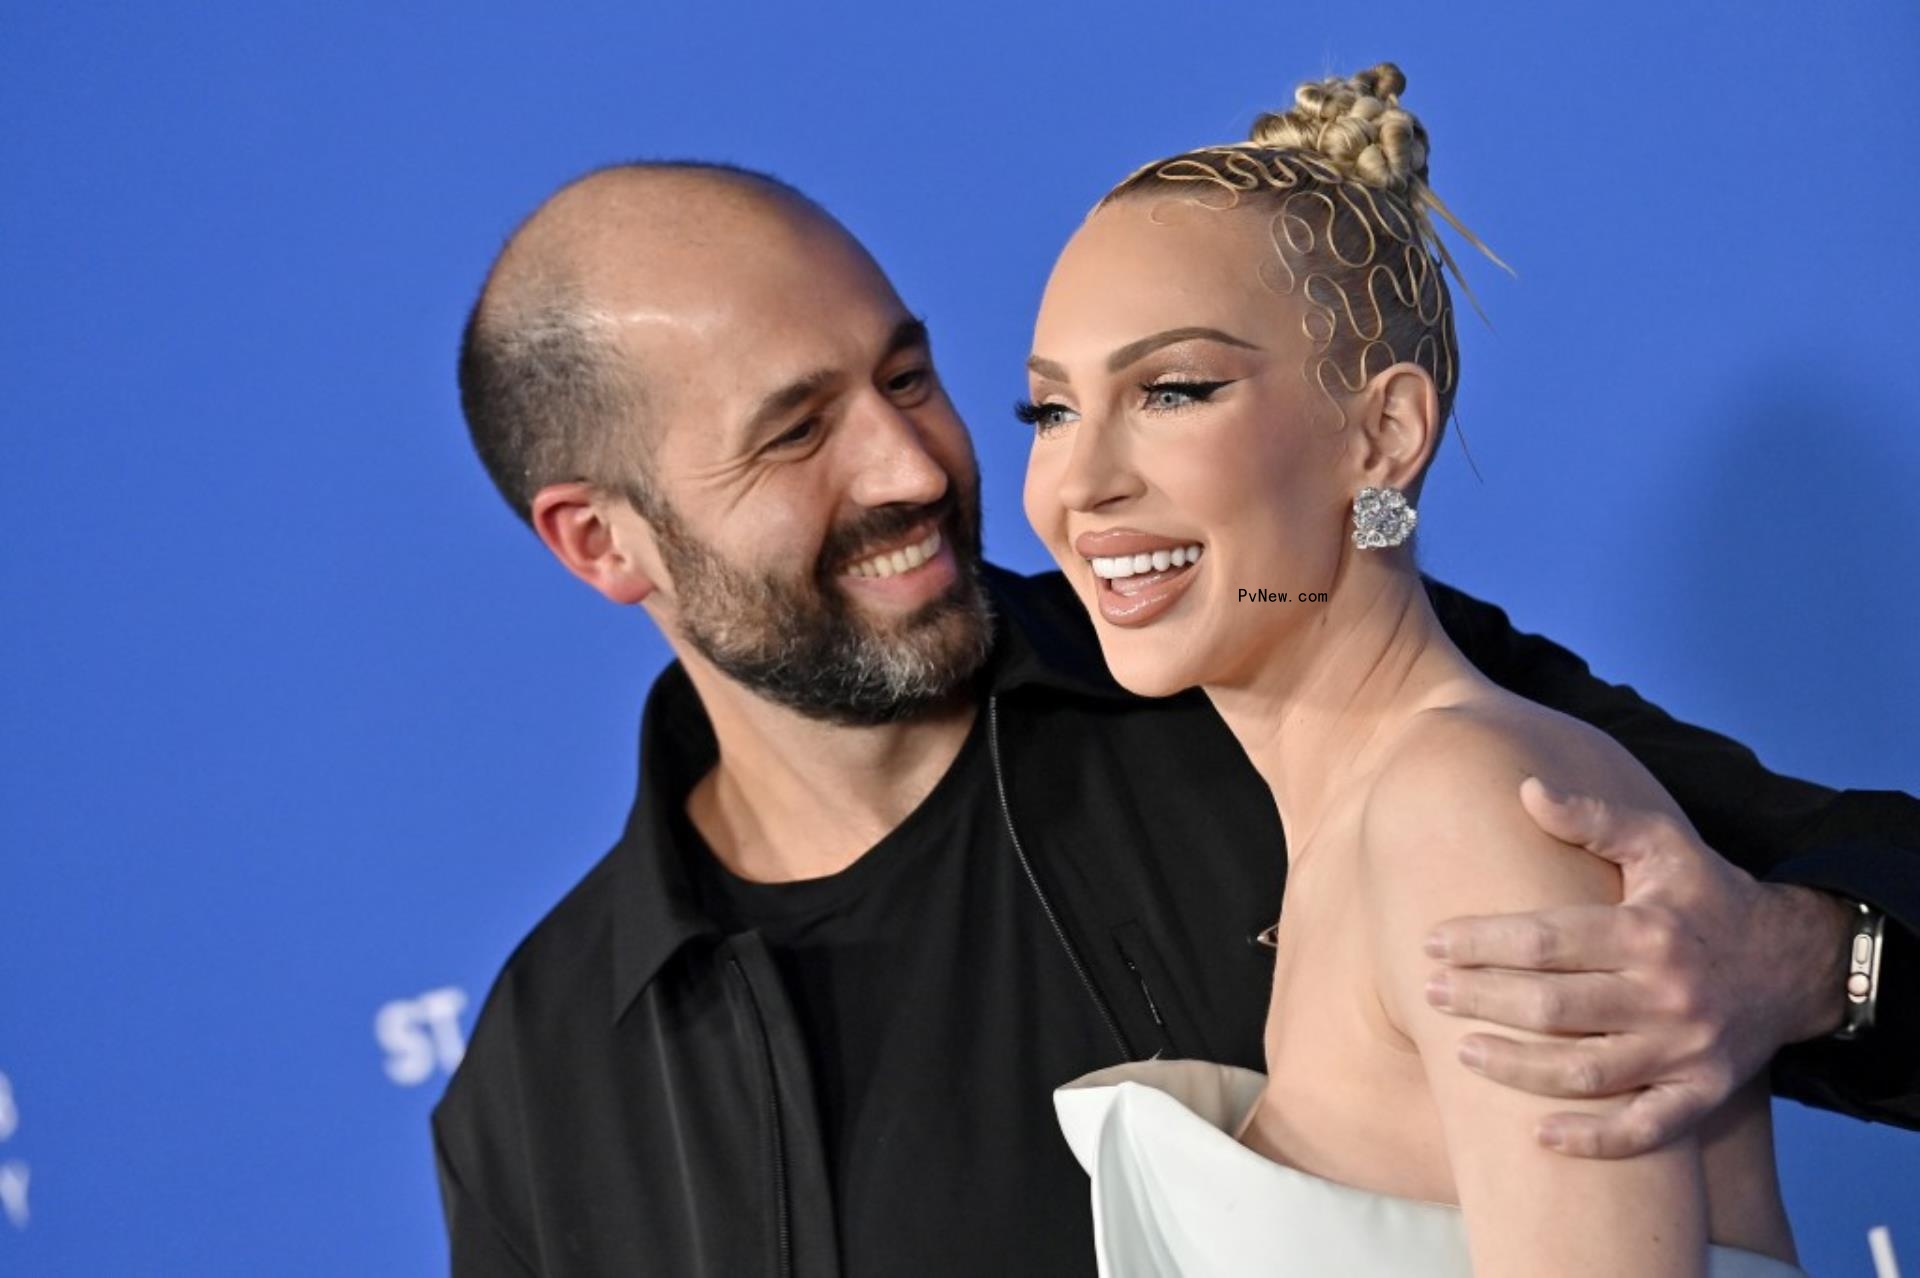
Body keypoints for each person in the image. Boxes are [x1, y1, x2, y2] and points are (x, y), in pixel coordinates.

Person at [432, 159, 1920, 1277]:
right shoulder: (546, 1083)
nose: (911, 466)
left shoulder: (1297, 677)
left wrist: (1811, 961)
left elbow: (1795, 891)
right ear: (600, 542)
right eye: (798, 430)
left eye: (909, 376)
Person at [1019, 62, 1889, 1276]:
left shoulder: (1465, 812)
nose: (1080, 483)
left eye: (1172, 391)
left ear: (1384, 434)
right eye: (1050, 413)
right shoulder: (1365, 832)